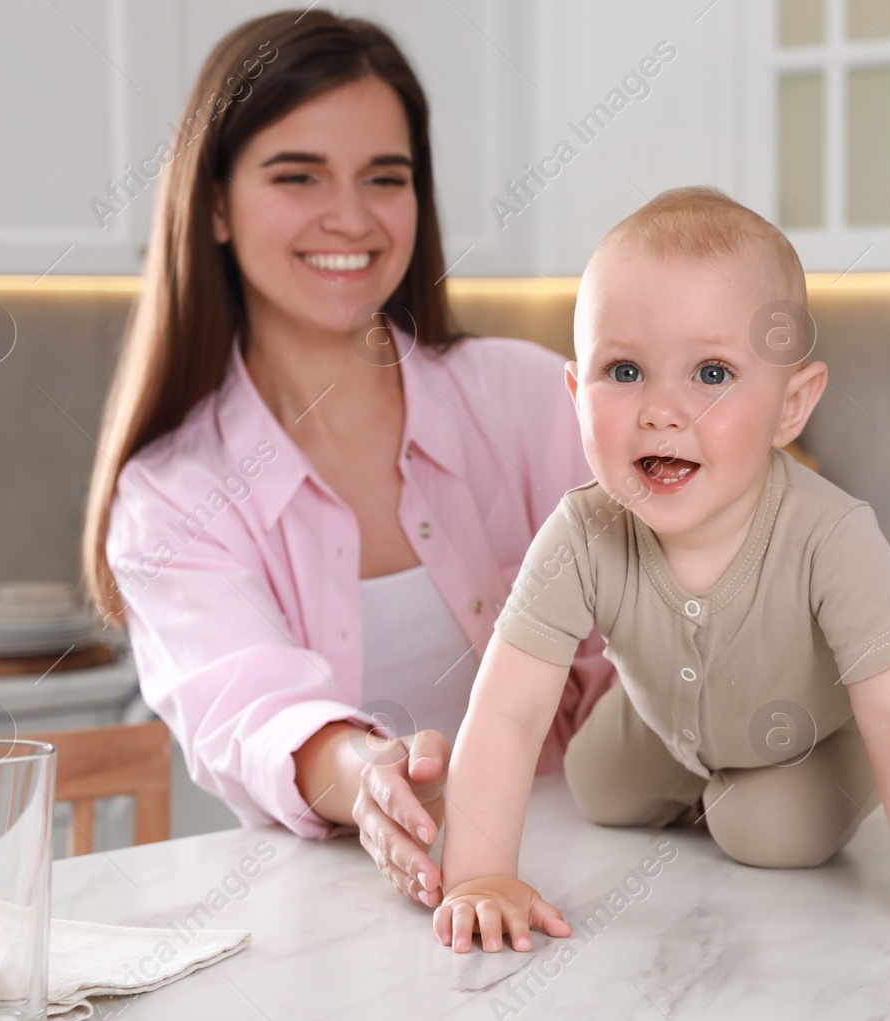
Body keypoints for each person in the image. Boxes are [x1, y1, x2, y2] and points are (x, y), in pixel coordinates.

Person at [431, 188, 890, 953]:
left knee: (764, 834)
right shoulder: (583, 530)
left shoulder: (830, 533)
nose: (663, 410)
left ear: (791, 405)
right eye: (625, 370)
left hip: (818, 730)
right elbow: (509, 708)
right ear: (577, 394)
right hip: (672, 720)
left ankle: (800, 784)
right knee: (596, 784)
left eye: (711, 373)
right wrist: (478, 871)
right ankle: (695, 777)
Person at [80, 10, 612, 909]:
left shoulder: (530, 401)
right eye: (298, 175)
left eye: (385, 178)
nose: (352, 218)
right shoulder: (174, 495)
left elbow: (660, 640)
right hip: (338, 937)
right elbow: (252, 714)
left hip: (587, 895)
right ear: (213, 202)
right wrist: (373, 780)